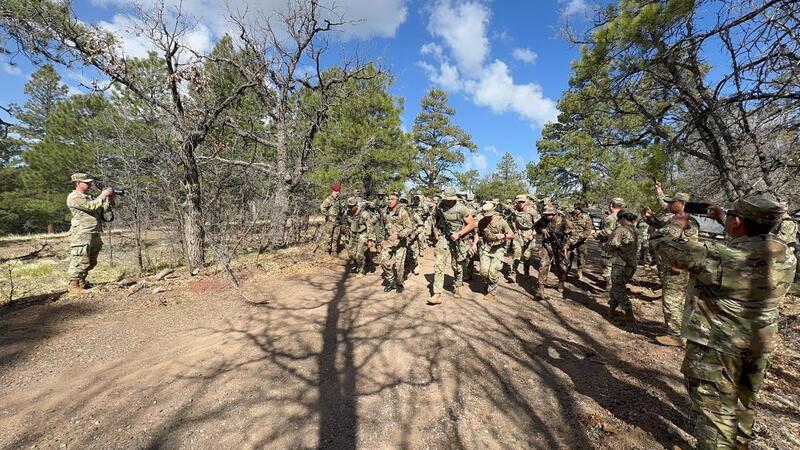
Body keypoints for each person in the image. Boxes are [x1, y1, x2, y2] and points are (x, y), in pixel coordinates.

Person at [652, 194, 796, 450]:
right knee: (743, 404)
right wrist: (723, 220)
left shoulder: (720, 257)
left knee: (716, 416)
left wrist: (677, 222)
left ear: (738, 221)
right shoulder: (785, 253)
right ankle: (739, 444)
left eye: (730, 216)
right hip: (759, 342)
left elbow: (662, 244)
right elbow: (752, 246)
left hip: (719, 345)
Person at [645, 186, 700, 347]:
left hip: (678, 267)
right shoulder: (677, 217)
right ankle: (679, 332)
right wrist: (650, 218)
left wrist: (680, 265)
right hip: (672, 264)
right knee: (674, 299)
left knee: (672, 299)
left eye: (672, 202)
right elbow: (660, 225)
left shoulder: (688, 221)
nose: (668, 205)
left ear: (681, 203)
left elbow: (689, 246)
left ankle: (675, 335)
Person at [66, 173, 114, 294]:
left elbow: (104, 209)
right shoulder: (74, 197)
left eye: (89, 182)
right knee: (80, 258)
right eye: (86, 183)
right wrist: (102, 195)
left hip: (93, 231)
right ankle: (74, 285)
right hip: (82, 232)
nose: (90, 185)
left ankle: (81, 281)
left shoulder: (89, 197)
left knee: (92, 259)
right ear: (78, 183)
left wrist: (109, 198)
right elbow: (90, 207)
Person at [429, 188, 476, 305]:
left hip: (458, 239)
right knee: (439, 263)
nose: (447, 202)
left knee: (457, 265)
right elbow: (436, 219)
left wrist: (459, 234)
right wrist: (436, 229)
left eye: (450, 200)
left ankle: (458, 285)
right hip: (444, 238)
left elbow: (472, 224)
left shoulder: (461, 208)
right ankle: (437, 294)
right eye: (446, 199)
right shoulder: (440, 206)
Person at [475, 202, 514, 301]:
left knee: (493, 271)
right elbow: (478, 233)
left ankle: (492, 292)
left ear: (493, 213)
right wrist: (474, 243)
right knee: (483, 272)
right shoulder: (482, 222)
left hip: (498, 248)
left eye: (489, 215)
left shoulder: (501, 222)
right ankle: (488, 283)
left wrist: (504, 236)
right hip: (486, 247)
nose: (487, 217)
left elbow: (511, 234)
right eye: (486, 215)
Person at [606, 210, 639, 323]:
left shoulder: (621, 229)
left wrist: (608, 246)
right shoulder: (635, 229)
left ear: (622, 219)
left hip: (621, 263)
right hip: (631, 264)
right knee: (616, 287)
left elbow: (613, 244)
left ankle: (629, 313)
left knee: (618, 288)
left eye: (619, 219)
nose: (618, 222)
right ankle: (611, 310)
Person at [534, 207, 573, 300]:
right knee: (543, 265)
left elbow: (572, 234)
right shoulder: (543, 219)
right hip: (547, 245)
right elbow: (536, 226)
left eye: (550, 214)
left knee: (561, 267)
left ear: (555, 213)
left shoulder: (563, 219)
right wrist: (541, 230)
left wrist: (566, 246)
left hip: (561, 246)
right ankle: (540, 290)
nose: (547, 217)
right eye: (546, 215)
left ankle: (561, 281)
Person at [380, 193, 414, 293]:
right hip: (388, 242)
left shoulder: (402, 212)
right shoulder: (385, 212)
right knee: (383, 261)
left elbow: (409, 228)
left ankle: (399, 283)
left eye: (393, 199)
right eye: (389, 199)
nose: (390, 201)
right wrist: (381, 239)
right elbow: (382, 227)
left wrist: (398, 235)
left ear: (397, 201)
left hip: (400, 243)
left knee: (399, 266)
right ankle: (391, 281)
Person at [595, 198, 625, 288]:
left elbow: (608, 231)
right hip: (623, 246)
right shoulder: (625, 216)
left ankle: (609, 288)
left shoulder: (612, 217)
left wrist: (596, 235)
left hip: (610, 246)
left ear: (611, 205)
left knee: (607, 266)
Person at [509, 194, 538, 283]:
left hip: (529, 234)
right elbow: (512, 221)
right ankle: (513, 274)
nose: (521, 204)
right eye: (519, 202)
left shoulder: (532, 212)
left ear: (526, 202)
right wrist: (515, 230)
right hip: (519, 234)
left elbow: (537, 225)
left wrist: (533, 234)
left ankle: (526, 271)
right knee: (517, 254)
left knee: (526, 256)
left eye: (522, 202)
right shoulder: (515, 211)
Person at [344, 197, 373, 278]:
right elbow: (347, 225)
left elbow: (370, 227)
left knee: (359, 255)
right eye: (348, 206)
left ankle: (361, 270)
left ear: (356, 205)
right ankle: (357, 265)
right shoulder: (348, 213)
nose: (349, 208)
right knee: (351, 254)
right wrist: (346, 235)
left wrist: (370, 240)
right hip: (352, 235)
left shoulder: (364, 214)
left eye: (351, 206)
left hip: (362, 234)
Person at [569, 205, 594, 280]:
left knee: (582, 256)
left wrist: (582, 237)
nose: (576, 210)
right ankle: (566, 269)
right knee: (569, 254)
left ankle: (579, 271)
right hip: (570, 239)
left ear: (581, 209)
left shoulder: (586, 217)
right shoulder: (570, 216)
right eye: (575, 208)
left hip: (581, 239)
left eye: (578, 208)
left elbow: (588, 230)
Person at [319, 183, 343, 254]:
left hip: (338, 221)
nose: (338, 192)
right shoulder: (329, 199)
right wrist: (328, 216)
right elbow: (322, 208)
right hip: (330, 222)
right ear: (334, 191)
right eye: (337, 191)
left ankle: (334, 251)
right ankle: (327, 251)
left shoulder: (338, 200)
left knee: (336, 237)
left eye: (338, 191)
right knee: (328, 237)